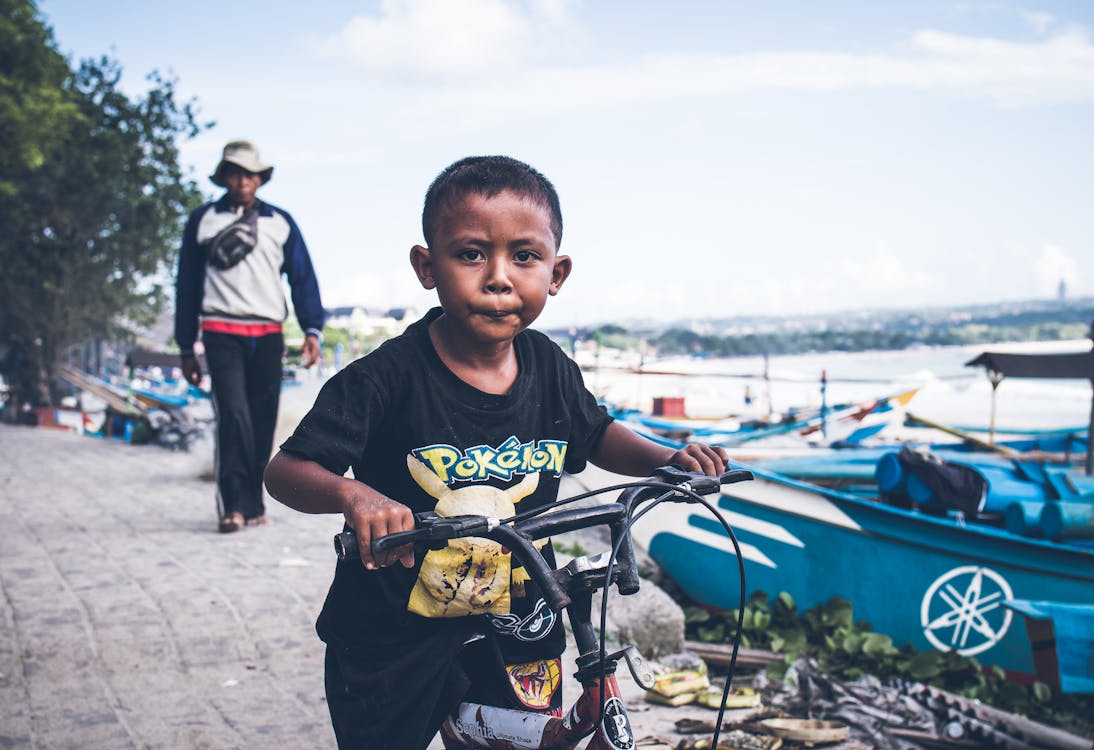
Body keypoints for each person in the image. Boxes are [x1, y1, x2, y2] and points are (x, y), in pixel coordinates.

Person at [263, 155, 728, 750]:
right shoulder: (384, 379)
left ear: (556, 274)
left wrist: (669, 460)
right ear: (427, 267)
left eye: (525, 257)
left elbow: (597, 433)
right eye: (471, 254)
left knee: (527, 739)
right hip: (392, 627)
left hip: (518, 617)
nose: (499, 277)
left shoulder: (552, 368)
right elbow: (287, 470)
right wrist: (355, 495)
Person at [176, 139, 325, 534]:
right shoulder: (202, 220)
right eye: (235, 173)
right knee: (233, 415)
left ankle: (254, 501)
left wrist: (312, 329)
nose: (243, 180)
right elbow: (187, 285)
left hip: (268, 333)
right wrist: (184, 346)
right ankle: (231, 505)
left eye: (250, 173)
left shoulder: (281, 222)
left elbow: (302, 278)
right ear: (224, 177)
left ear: (260, 179)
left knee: (262, 418)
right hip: (221, 331)